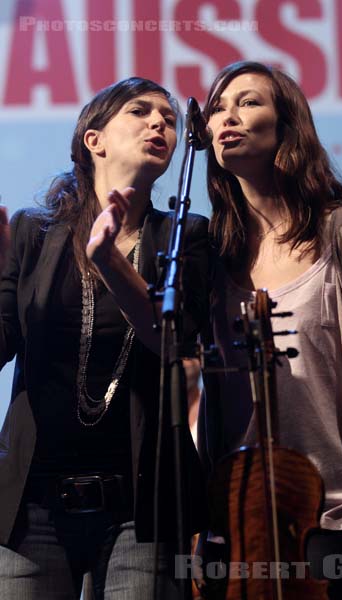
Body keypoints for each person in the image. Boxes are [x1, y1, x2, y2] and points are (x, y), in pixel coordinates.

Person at [0, 76, 209, 599]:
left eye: (169, 118)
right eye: (141, 112)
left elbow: (173, 342)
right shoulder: (33, 232)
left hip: (140, 511)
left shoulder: (185, 236)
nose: (160, 123)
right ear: (94, 140)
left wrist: (110, 261)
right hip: (33, 506)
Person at [197, 61, 342, 598]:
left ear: (287, 125)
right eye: (217, 108)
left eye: (247, 102)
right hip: (243, 527)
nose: (226, 117)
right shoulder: (214, 258)